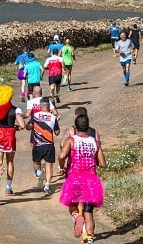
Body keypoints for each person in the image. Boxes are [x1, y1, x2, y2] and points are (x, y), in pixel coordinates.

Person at [59, 114, 106, 244]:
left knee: (72, 205)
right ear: (88, 126)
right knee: (88, 211)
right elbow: (102, 164)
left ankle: (76, 218)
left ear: (76, 126)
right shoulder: (94, 142)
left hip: (75, 178)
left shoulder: (71, 140)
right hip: (91, 180)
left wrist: (62, 167)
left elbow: (62, 156)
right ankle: (89, 239)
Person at [26, 97, 60, 195]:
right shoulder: (53, 117)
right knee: (49, 165)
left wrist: (31, 126)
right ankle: (47, 185)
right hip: (49, 145)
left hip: (37, 145)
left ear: (40, 106)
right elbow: (57, 132)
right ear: (49, 106)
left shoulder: (35, 115)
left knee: (36, 163)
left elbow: (28, 127)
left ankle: (40, 173)